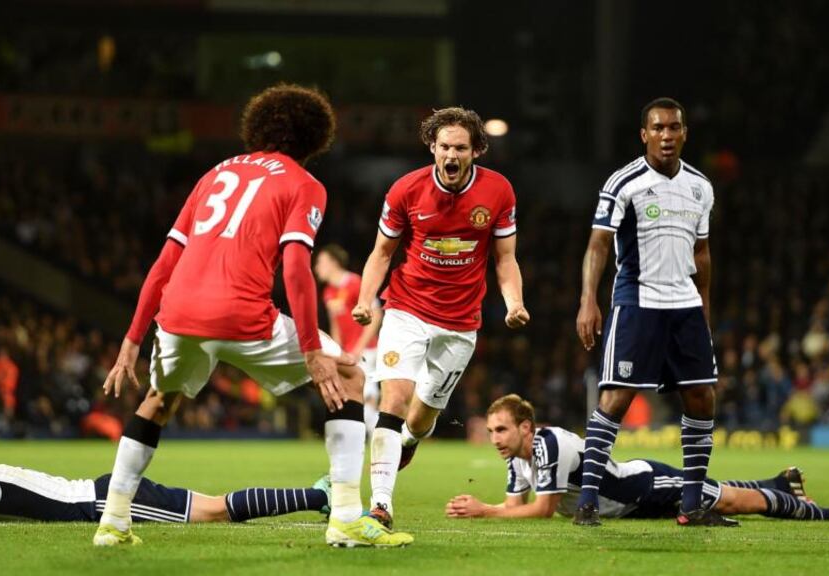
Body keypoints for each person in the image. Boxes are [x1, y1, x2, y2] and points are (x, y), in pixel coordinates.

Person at [93, 84, 411, 548]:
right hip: (242, 315)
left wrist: (131, 339)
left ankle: (113, 523)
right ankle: (344, 515)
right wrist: (311, 351)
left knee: (159, 401)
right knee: (349, 376)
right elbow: (298, 269)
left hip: (178, 314)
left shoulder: (214, 173)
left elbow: (165, 261)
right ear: (315, 136)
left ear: (258, 127)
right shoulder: (305, 184)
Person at [352, 107, 529, 529]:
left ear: (476, 151)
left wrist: (514, 302)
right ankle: (381, 504)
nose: (452, 155)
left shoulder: (499, 191)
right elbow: (382, 253)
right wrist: (365, 300)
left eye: (461, 148)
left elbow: (505, 258)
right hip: (406, 309)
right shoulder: (405, 190)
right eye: (445, 146)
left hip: (460, 323)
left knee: (421, 417)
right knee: (393, 400)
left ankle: (409, 441)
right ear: (433, 147)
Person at [574, 97, 727, 526]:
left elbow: (703, 252)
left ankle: (693, 504)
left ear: (684, 133)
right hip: (638, 302)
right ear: (644, 134)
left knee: (702, 397)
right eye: (658, 128)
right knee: (616, 398)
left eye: (674, 128)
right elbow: (598, 244)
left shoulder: (700, 186)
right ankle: (587, 502)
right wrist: (589, 299)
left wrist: (704, 308)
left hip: (685, 307)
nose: (666, 135)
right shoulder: (624, 182)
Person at [446, 395, 829, 523]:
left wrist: (485, 511)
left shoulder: (547, 445)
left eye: (501, 429)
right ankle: (781, 483)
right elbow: (515, 506)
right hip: (629, 509)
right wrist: (484, 509)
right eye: (492, 431)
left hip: (645, 486)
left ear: (525, 426)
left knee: (730, 501)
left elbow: (541, 510)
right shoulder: (517, 458)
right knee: (715, 493)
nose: (495, 438)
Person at [0, 463, 332, 525]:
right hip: (104, 493)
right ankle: (316, 494)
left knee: (216, 512)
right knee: (215, 506)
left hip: (105, 502)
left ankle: (318, 498)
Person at [313, 244, 383, 435]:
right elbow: (335, 324)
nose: (317, 267)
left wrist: (360, 346)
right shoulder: (328, 292)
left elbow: (376, 314)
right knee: (354, 395)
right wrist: (337, 351)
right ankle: (375, 435)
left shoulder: (355, 282)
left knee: (367, 394)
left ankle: (384, 437)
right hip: (347, 351)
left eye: (320, 262)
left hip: (365, 348)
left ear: (333, 263)